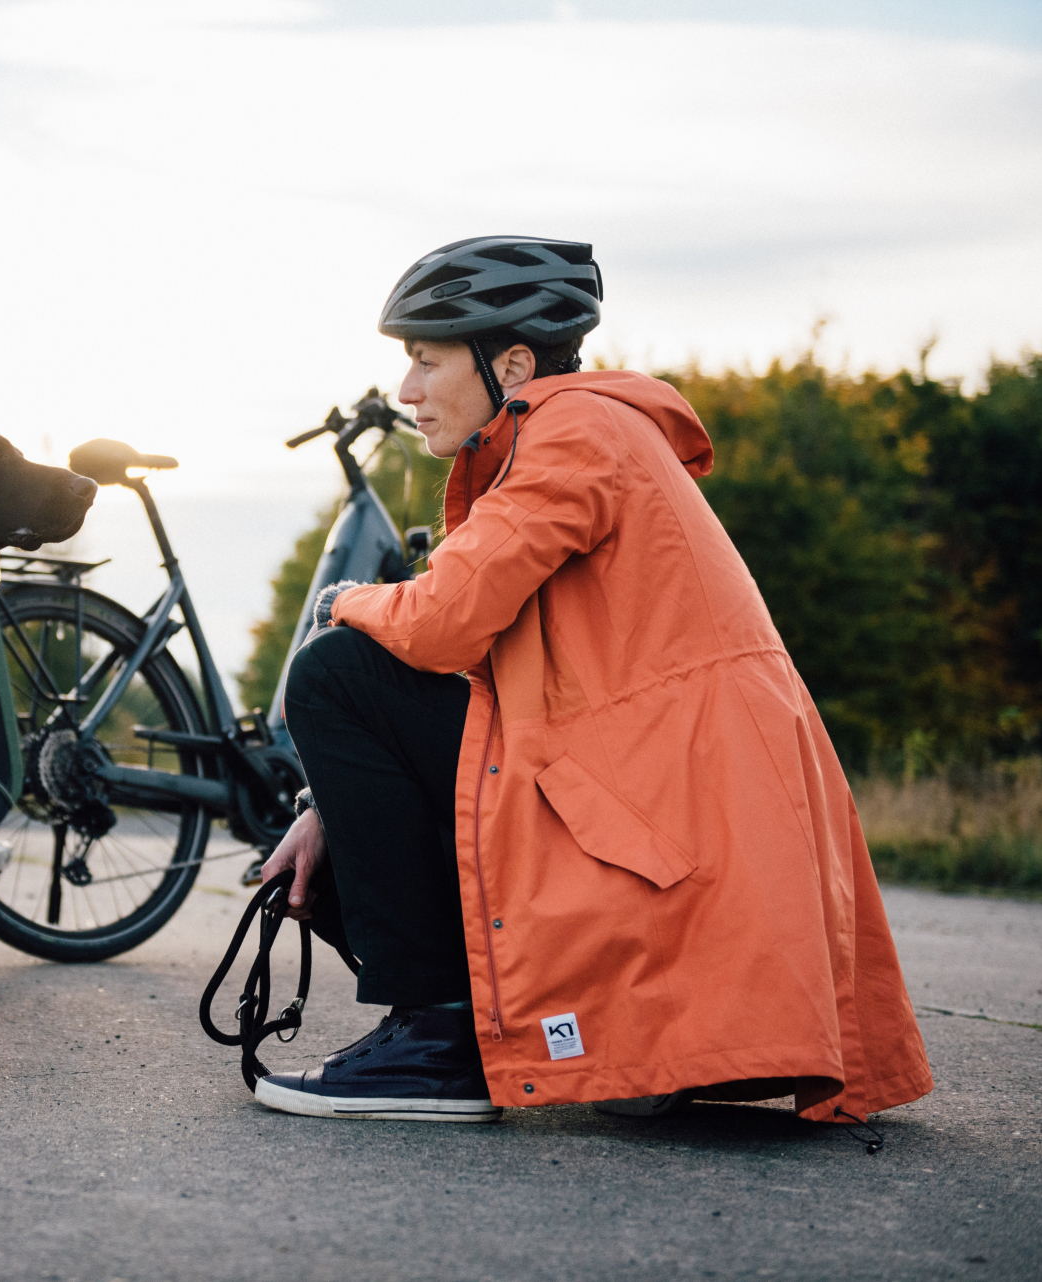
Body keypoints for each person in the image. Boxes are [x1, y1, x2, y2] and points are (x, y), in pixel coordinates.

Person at [255, 236, 933, 1125]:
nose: (407, 390)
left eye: (426, 361)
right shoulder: (585, 433)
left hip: (666, 802)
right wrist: (324, 808)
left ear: (513, 364)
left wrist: (342, 602)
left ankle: (441, 1040)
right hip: (666, 795)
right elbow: (479, 663)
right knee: (344, 765)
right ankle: (482, 1032)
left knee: (336, 670)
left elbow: (440, 624)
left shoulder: (572, 431)